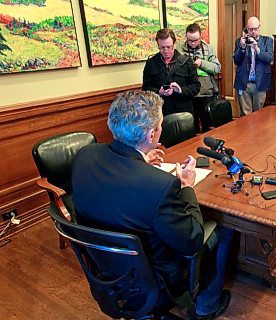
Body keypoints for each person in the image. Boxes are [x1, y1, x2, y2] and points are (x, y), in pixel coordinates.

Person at [72, 90, 233, 320]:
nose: (161, 129)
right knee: (223, 227)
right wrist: (186, 186)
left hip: (104, 267)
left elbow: (117, 188)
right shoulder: (160, 186)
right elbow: (192, 240)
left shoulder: (85, 156)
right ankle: (208, 305)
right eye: (159, 125)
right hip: (152, 279)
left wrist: (139, 160)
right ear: (151, 135)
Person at [143, 28, 201, 116]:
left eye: (168, 47)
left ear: (174, 44)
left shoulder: (187, 62)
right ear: (158, 45)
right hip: (161, 113)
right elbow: (146, 88)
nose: (165, 51)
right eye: (162, 48)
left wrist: (180, 90)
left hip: (183, 112)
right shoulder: (151, 63)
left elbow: (196, 87)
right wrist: (159, 92)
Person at [178, 23, 221, 133]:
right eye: (190, 40)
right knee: (191, 128)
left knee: (208, 127)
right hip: (188, 95)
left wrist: (202, 63)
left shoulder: (208, 49)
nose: (192, 43)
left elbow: (217, 68)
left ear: (200, 37)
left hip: (206, 94)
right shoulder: (179, 50)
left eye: (195, 40)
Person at [233, 16, 273, 116]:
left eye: (256, 29)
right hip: (244, 83)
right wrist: (242, 48)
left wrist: (256, 48)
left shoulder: (267, 41)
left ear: (259, 28)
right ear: (247, 28)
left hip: (260, 83)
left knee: (259, 115)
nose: (253, 32)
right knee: (245, 115)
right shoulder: (239, 41)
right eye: (251, 29)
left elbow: (269, 58)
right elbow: (236, 61)